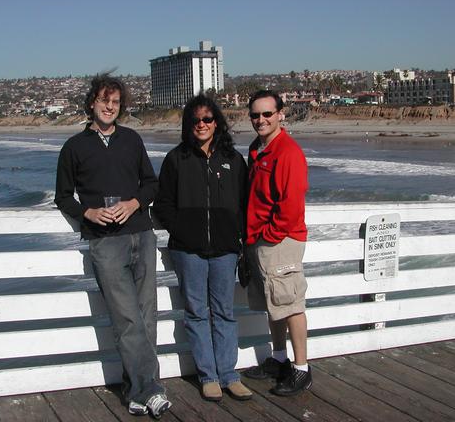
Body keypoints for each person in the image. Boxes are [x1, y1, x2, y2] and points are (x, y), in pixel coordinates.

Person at [54, 73, 171, 418]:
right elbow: (63, 196)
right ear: (92, 102)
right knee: (126, 319)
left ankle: (134, 389)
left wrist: (134, 203)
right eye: (104, 100)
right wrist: (87, 211)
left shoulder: (132, 140)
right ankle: (152, 390)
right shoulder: (74, 147)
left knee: (146, 315)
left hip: (141, 234)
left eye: (116, 102)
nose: (109, 106)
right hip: (104, 242)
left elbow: (150, 184)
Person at [153, 94, 252, 402]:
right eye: (195, 120)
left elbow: (245, 203)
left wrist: (237, 236)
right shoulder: (176, 159)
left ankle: (229, 374)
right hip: (188, 251)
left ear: (216, 122)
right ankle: (208, 375)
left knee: (224, 311)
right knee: (196, 312)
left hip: (225, 250)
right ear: (188, 124)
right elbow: (163, 204)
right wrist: (182, 229)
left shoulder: (233, 160)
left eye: (207, 119)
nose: (201, 125)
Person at [242, 89, 312, 396]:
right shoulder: (256, 150)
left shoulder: (288, 152)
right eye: (255, 115)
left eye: (267, 114)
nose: (261, 120)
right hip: (259, 240)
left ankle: (302, 368)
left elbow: (291, 206)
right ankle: (279, 359)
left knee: (290, 303)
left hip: (280, 241)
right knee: (274, 304)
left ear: (280, 114)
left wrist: (268, 236)